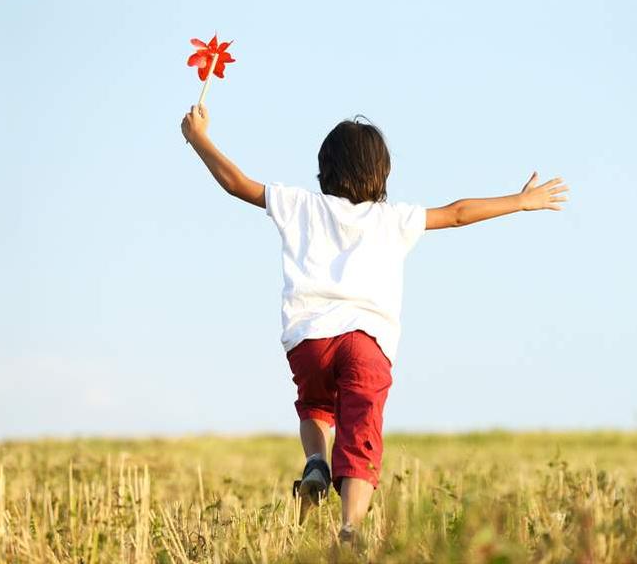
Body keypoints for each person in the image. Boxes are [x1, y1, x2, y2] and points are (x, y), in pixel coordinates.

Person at [180, 104, 568, 542]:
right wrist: (520, 201)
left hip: (309, 341)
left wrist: (199, 138)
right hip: (367, 341)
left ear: (324, 170)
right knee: (361, 429)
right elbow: (458, 212)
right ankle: (349, 527)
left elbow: (237, 184)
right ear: (381, 173)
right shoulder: (394, 218)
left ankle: (315, 463)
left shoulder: (300, 205)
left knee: (315, 406)